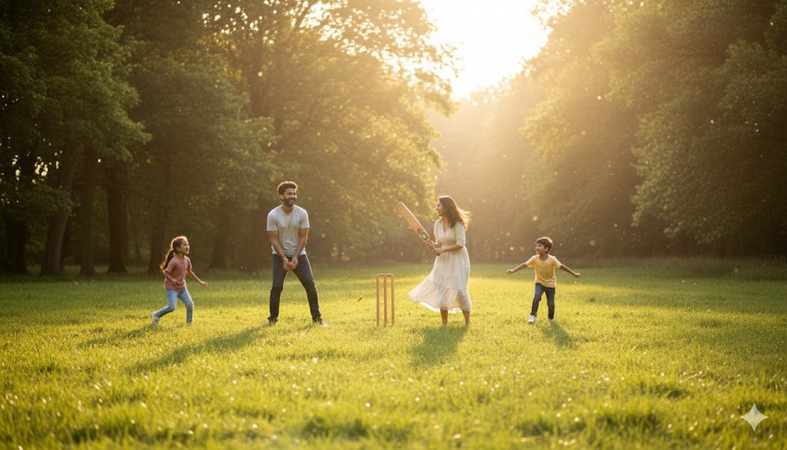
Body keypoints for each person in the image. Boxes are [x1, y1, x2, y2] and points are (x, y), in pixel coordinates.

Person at [266, 181, 327, 326]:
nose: (292, 196)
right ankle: (272, 320)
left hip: (299, 254)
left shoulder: (302, 213)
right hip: (278, 254)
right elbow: (273, 240)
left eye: (294, 193)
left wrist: (295, 256)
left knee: (310, 285)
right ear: (281, 196)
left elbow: (303, 237)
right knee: (277, 287)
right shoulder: (273, 215)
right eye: (289, 194)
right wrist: (283, 258)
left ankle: (317, 318)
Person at [409, 196, 472, 327]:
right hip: (443, 259)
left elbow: (461, 244)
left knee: (459, 289)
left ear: (446, 207)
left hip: (458, 259)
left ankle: (467, 322)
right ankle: (444, 324)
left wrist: (442, 249)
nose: (436, 208)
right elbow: (439, 243)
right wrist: (434, 245)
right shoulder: (437, 224)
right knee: (442, 288)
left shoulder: (457, 223)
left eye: (439, 205)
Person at [506, 236, 581, 324]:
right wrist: (513, 270)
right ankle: (532, 316)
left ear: (546, 249)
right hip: (539, 282)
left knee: (551, 304)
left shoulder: (552, 259)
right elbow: (524, 265)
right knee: (537, 297)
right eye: (536, 245)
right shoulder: (534, 258)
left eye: (540, 246)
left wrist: (574, 273)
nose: (537, 247)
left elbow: (562, 267)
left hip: (551, 284)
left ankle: (551, 318)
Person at [152, 236, 207, 326]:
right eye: (185, 245)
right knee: (172, 307)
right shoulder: (174, 261)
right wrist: (172, 280)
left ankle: (189, 323)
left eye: (188, 244)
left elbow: (189, 272)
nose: (187, 247)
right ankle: (156, 315)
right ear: (178, 248)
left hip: (182, 287)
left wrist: (200, 282)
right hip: (171, 288)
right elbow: (166, 273)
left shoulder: (187, 260)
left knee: (190, 304)